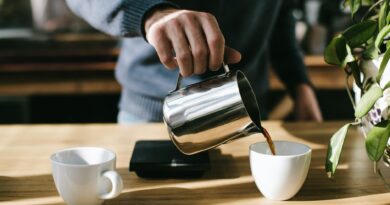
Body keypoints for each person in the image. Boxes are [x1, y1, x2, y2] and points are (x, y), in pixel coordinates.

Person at [65, 0, 323, 123]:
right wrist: (151, 14)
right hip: (154, 116)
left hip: (246, 111)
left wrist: (299, 84)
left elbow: (280, 13)